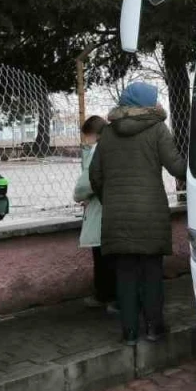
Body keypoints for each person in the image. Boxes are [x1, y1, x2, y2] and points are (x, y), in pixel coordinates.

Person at [89, 82, 187, 346]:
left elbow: (95, 175)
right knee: (152, 272)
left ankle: (129, 333)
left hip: (117, 216)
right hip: (150, 214)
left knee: (125, 274)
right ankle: (155, 328)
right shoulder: (157, 129)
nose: (157, 104)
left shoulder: (107, 133)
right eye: (153, 99)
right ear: (146, 103)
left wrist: (110, 201)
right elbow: (177, 168)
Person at [75, 115, 116, 312]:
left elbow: (88, 181)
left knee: (101, 256)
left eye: (86, 136)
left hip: (99, 208)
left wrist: (78, 195)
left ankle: (105, 295)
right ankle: (109, 295)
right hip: (114, 207)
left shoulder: (96, 150)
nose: (85, 140)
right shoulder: (115, 146)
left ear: (93, 134)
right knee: (109, 257)